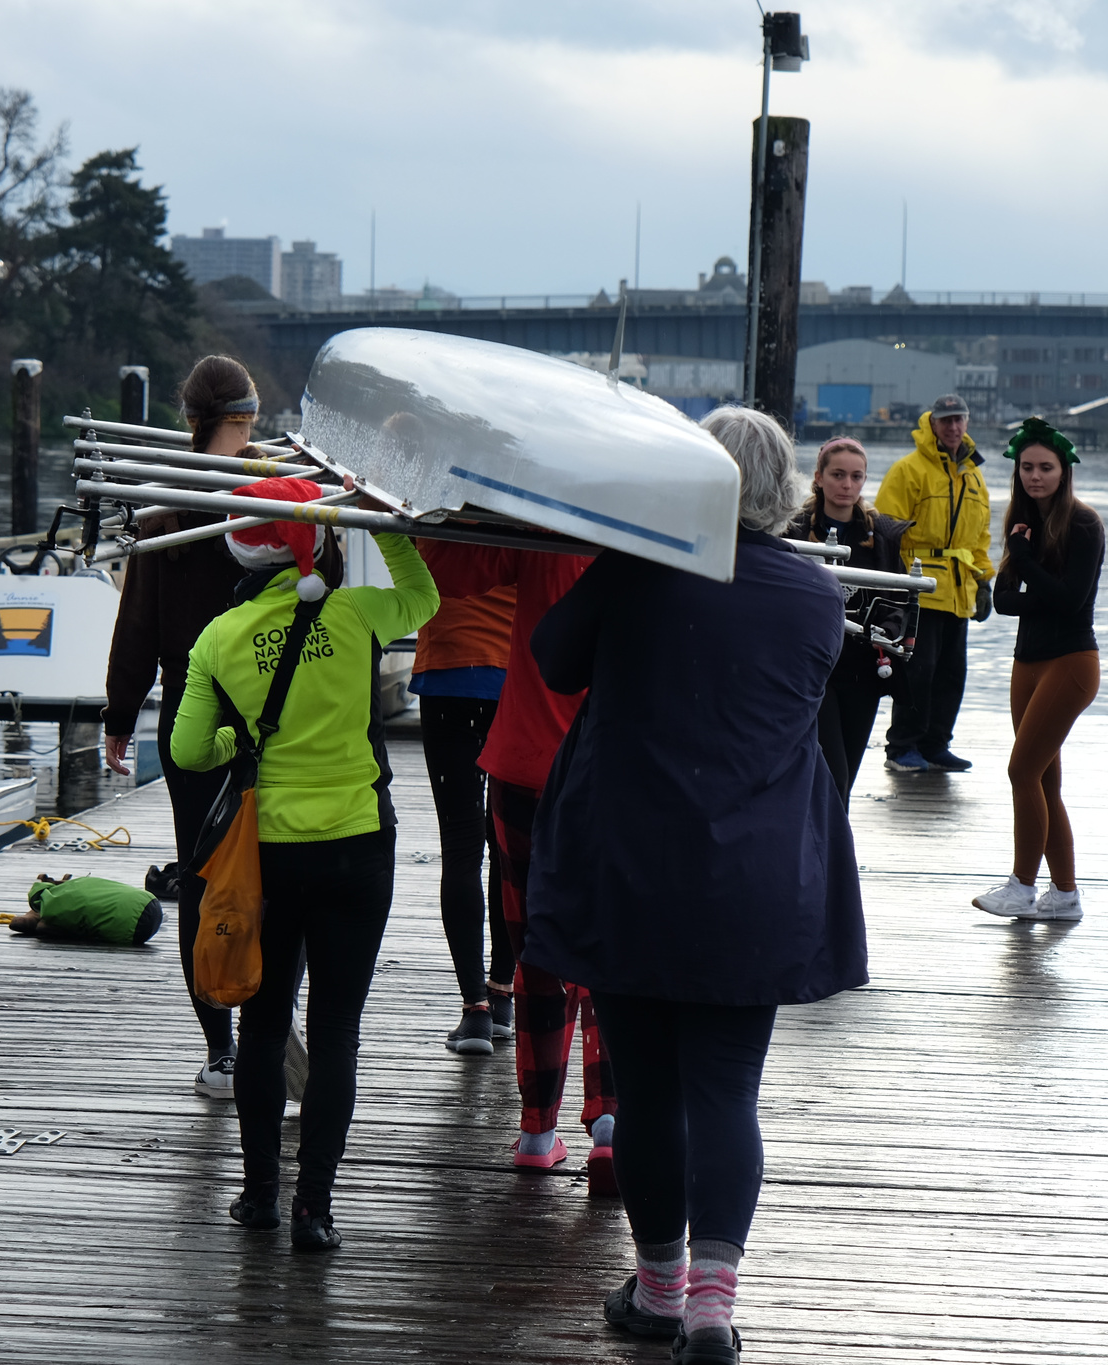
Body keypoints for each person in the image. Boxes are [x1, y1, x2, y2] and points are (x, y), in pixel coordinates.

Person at [526, 406, 867, 1365]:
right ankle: (715, 1309)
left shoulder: (636, 573)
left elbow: (553, 661)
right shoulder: (813, 597)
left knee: (644, 1089)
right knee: (726, 1092)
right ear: (788, 491)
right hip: (755, 883)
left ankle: (660, 1287)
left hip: (633, 872)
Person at [169, 476, 439, 1250]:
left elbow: (189, 750)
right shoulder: (355, 614)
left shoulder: (219, 637)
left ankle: (257, 1196)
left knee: (263, 1022)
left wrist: (238, 745)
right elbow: (423, 597)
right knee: (338, 1030)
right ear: (314, 543)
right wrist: (382, 523)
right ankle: (314, 1208)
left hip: (270, 858)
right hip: (357, 846)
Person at [101, 354, 342, 1101]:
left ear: (190, 414)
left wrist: (118, 711)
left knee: (204, 879)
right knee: (279, 875)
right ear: (247, 414)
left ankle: (220, 1051)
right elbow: (326, 581)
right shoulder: (274, 489)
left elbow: (137, 617)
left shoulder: (164, 497)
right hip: (273, 705)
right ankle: (277, 1019)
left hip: (191, 710)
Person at [418, 536, 619, 1192]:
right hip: (609, 768)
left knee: (534, 945)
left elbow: (450, 568)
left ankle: (537, 1129)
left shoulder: (544, 524)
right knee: (608, 951)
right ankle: (611, 1125)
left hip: (527, 762)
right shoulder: (655, 536)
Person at [971, 419, 1105, 921]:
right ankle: (1065, 895)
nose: (1034, 476)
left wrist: (1026, 561)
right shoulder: (1019, 521)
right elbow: (1004, 601)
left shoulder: (1084, 524)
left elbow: (1070, 602)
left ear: (1063, 470)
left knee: (1020, 770)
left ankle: (1022, 886)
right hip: (1026, 663)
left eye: (1045, 467)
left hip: (1070, 663)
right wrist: (1027, 568)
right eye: (1026, 467)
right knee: (1043, 782)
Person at [411, 576, 520, 1054]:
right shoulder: (523, 517)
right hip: (511, 681)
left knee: (461, 844)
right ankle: (502, 994)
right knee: (507, 845)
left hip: (448, 676)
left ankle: (474, 1010)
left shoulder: (433, 512)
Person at [784, 437, 914, 804]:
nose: (847, 485)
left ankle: (829, 853)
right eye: (838, 475)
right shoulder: (791, 530)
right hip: (812, 669)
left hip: (863, 668)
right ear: (818, 478)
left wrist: (889, 627)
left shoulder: (883, 535)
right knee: (831, 774)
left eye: (856, 477)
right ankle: (825, 856)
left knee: (847, 778)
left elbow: (899, 596)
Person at [873, 394, 994, 775]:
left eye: (959, 419)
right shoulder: (908, 470)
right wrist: (893, 584)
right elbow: (885, 529)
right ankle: (902, 746)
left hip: (959, 590)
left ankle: (936, 744)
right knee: (917, 671)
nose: (953, 427)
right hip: (919, 587)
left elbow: (980, 538)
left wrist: (984, 581)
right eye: (946, 421)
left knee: (950, 674)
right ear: (932, 424)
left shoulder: (974, 475)